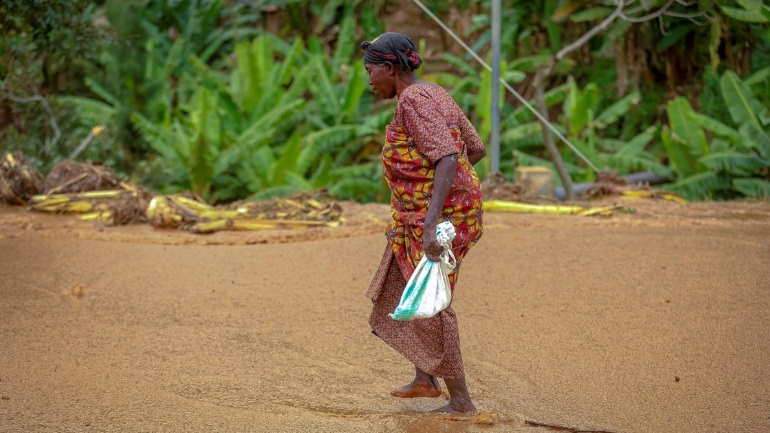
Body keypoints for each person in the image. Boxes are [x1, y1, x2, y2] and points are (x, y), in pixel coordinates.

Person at [362, 32, 486, 413]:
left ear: (389, 68)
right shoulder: (435, 93)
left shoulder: (414, 100)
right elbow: (475, 149)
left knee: (433, 303)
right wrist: (454, 194)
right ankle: (424, 377)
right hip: (441, 212)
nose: (369, 80)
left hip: (433, 219)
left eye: (370, 71)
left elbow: (448, 157)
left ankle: (461, 400)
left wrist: (432, 223)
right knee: (408, 284)